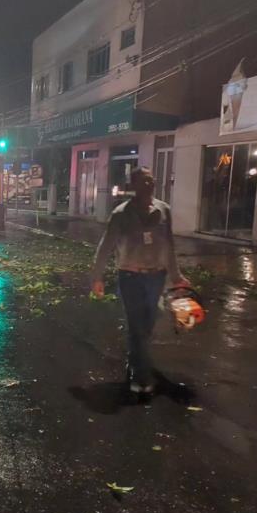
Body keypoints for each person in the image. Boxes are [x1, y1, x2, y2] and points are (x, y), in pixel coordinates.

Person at [91, 167, 190, 394]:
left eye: (152, 180)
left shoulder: (164, 210)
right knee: (137, 326)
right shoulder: (120, 214)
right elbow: (105, 248)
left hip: (157, 276)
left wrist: (176, 276)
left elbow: (169, 245)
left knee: (149, 322)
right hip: (130, 277)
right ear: (133, 185)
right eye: (144, 181)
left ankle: (135, 358)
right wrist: (97, 277)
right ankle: (141, 376)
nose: (150, 184)